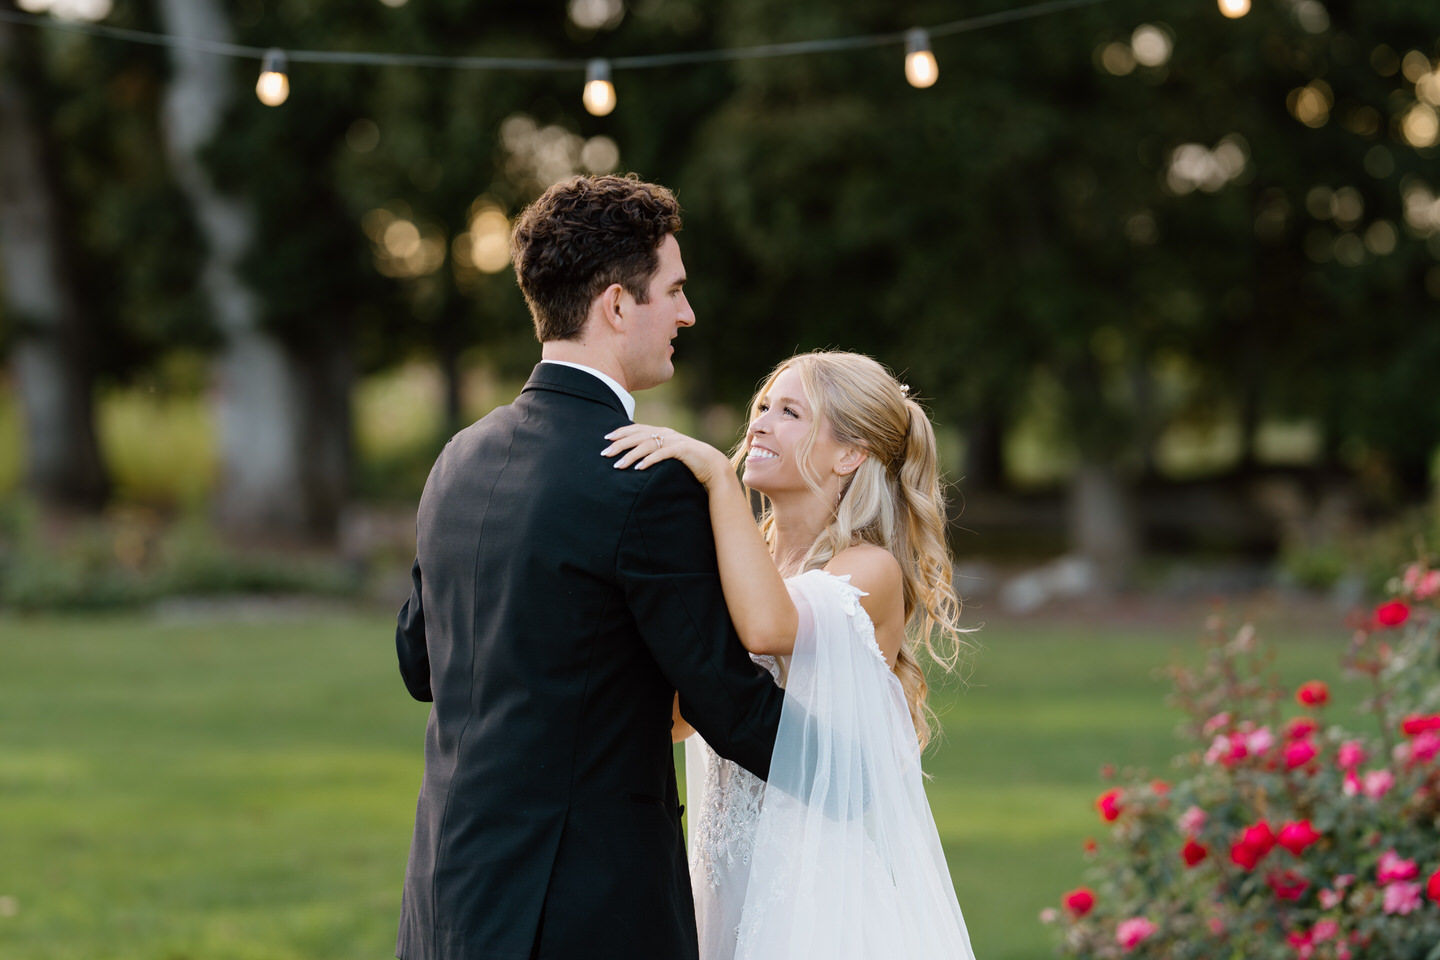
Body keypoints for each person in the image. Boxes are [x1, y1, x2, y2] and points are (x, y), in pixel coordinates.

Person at [393, 174, 786, 960]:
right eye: (673, 291)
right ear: (615, 305)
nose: (687, 313)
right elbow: (728, 703)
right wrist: (863, 758)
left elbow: (421, 663)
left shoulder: (458, 459)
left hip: (446, 895)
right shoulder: (644, 481)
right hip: (586, 912)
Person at [603, 350, 978, 959]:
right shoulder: (742, 569)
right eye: (761, 407)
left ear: (849, 454)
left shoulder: (869, 569)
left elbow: (766, 629)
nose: (759, 424)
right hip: (725, 881)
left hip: (818, 894)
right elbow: (678, 719)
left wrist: (717, 480)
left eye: (789, 412)